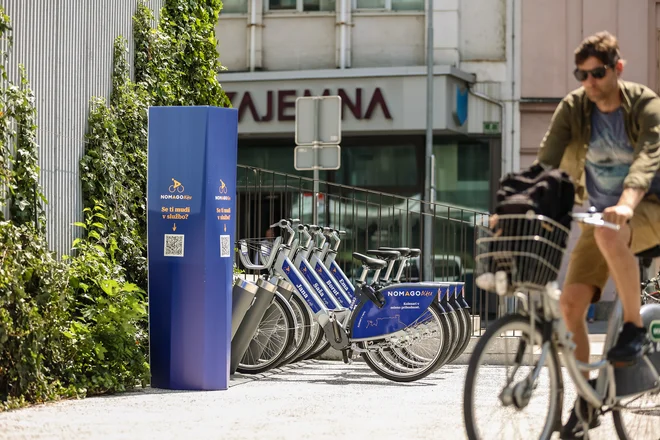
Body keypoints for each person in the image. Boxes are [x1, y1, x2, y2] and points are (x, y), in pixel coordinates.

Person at [535, 31, 659, 438]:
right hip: (600, 215)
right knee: (570, 306)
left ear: (617, 68)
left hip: (647, 208)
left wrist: (626, 203)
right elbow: (546, 160)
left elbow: (646, 159)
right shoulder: (576, 106)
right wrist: (516, 205)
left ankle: (634, 331)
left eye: (597, 73)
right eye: (581, 74)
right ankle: (588, 401)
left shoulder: (644, 104)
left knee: (610, 232)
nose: (588, 81)